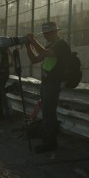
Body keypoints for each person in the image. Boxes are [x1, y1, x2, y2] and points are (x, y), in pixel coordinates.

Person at [25, 22, 71, 153]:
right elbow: (34, 59)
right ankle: (49, 138)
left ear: (55, 32)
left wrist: (32, 41)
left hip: (53, 83)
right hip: (46, 83)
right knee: (47, 112)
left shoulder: (61, 45)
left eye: (47, 33)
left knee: (48, 112)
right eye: (44, 34)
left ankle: (51, 142)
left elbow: (43, 52)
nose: (46, 36)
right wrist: (28, 46)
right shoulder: (51, 45)